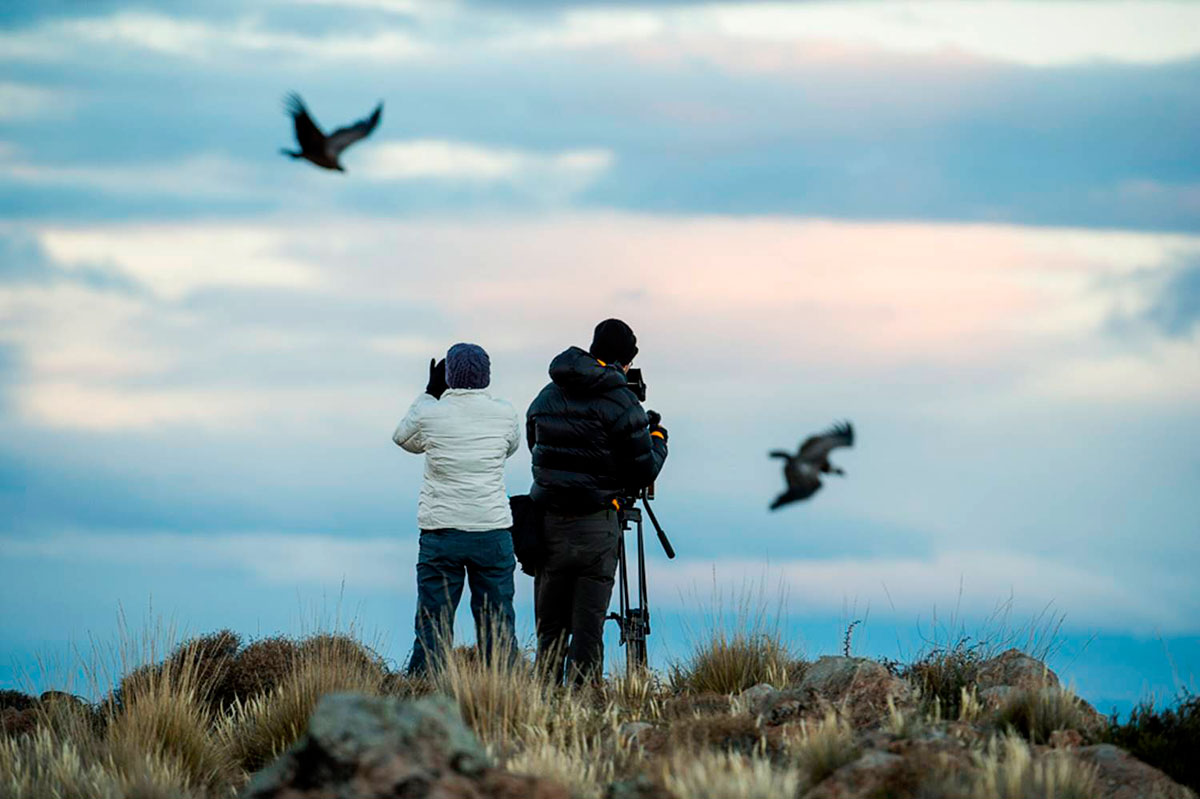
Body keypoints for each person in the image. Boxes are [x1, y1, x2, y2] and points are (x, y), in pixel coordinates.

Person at [525, 319, 668, 685]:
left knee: (550, 623)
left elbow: (535, 446)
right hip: (596, 523)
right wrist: (656, 437)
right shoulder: (623, 402)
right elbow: (642, 471)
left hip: (549, 521)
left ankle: (543, 697)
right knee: (589, 624)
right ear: (624, 361)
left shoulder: (547, 394)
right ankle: (584, 701)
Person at [393, 342, 521, 676]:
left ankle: (423, 690)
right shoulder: (505, 413)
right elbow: (509, 448)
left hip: (441, 530)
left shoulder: (430, 413)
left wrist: (429, 393)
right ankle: (503, 689)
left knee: (433, 621)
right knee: (498, 621)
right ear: (486, 376)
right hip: (491, 529)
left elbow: (403, 439)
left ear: (448, 376)